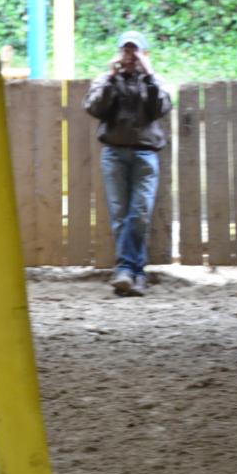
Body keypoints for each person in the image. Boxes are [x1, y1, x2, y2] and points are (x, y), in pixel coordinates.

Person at [83, 30, 172, 297]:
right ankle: (134, 273)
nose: (130, 56)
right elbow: (94, 108)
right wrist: (111, 79)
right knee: (120, 215)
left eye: (135, 51)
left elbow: (162, 108)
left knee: (140, 214)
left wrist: (150, 75)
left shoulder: (155, 81)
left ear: (145, 54)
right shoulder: (105, 80)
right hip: (114, 153)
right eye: (126, 50)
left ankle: (127, 270)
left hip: (145, 154)